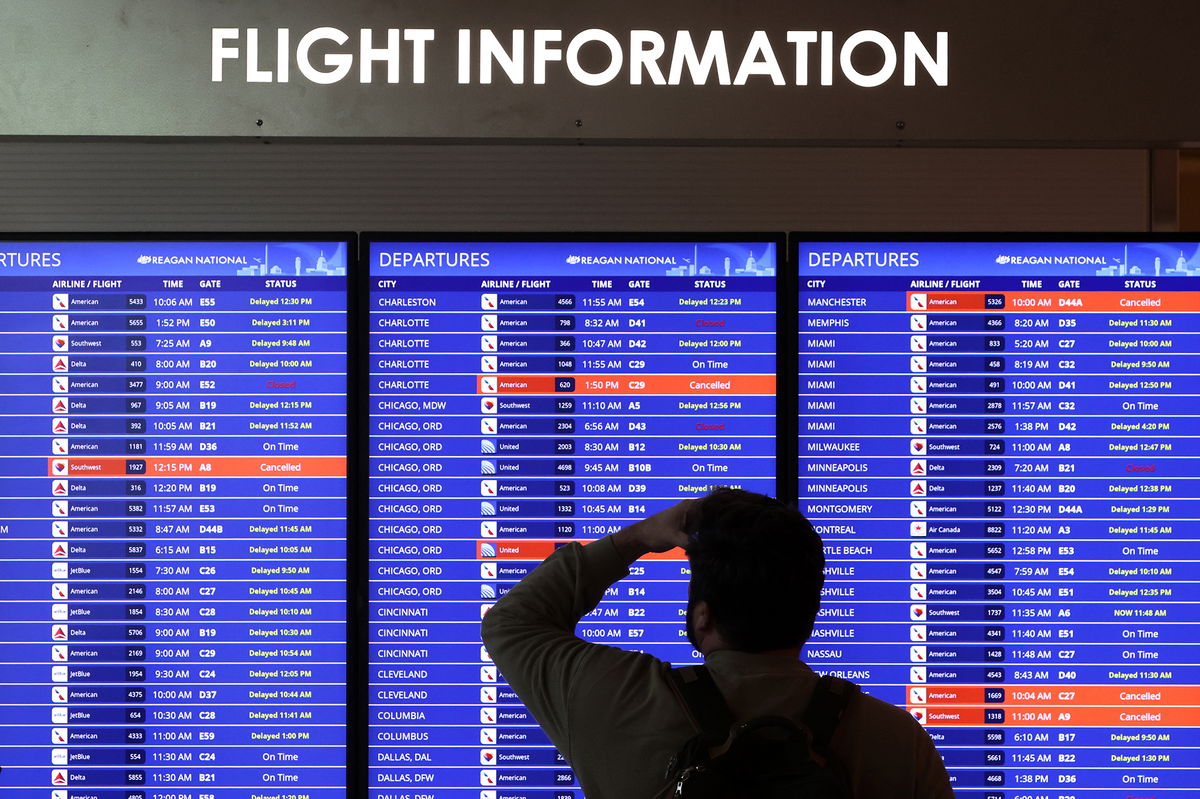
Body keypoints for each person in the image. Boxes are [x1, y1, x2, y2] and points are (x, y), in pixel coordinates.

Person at [481, 488, 955, 798]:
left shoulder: (614, 698)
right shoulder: (898, 743)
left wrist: (639, 538)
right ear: (809, 616)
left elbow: (512, 623)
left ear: (702, 616)